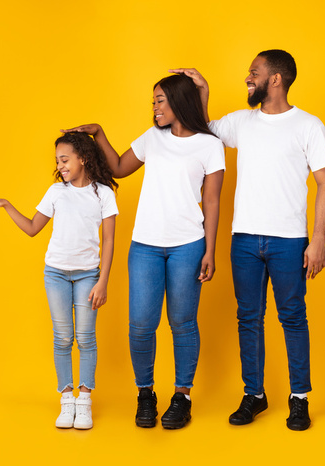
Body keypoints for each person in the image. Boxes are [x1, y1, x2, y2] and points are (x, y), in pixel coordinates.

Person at [171, 49, 325, 431]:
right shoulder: (243, 122)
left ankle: (299, 398)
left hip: (289, 240)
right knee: (249, 319)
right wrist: (203, 92)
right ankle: (254, 395)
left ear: (275, 79)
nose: (248, 78)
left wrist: (319, 239)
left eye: (254, 72)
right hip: (243, 238)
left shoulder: (309, 125)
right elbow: (205, 131)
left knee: (292, 317)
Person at [64, 73, 225, 429]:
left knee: (182, 324)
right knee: (140, 325)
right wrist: (100, 134)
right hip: (145, 246)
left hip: (188, 244)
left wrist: (210, 250)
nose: (154, 108)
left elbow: (212, 201)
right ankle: (145, 393)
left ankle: (182, 396)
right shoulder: (154, 138)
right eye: (153, 101)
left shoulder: (209, 145)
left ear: (180, 102)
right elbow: (120, 167)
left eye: (160, 101)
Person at [0, 132, 118, 430]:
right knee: (62, 338)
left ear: (83, 159)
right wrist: (7, 205)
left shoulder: (103, 193)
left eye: (65, 160)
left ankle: (85, 401)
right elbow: (31, 228)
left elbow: (109, 239)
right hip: (55, 273)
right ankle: (67, 401)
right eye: (57, 161)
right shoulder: (56, 191)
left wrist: (102, 281)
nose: (60, 165)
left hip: (88, 274)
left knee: (86, 338)